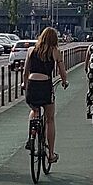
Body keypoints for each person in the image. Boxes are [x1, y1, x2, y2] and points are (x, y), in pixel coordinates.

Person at [22, 27, 67, 163]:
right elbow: (62, 71)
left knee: (34, 109)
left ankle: (32, 134)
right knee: (50, 119)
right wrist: (64, 81)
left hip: (32, 85)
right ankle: (51, 154)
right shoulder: (55, 52)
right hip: (45, 86)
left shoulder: (31, 50)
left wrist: (25, 85)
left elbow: (25, 72)